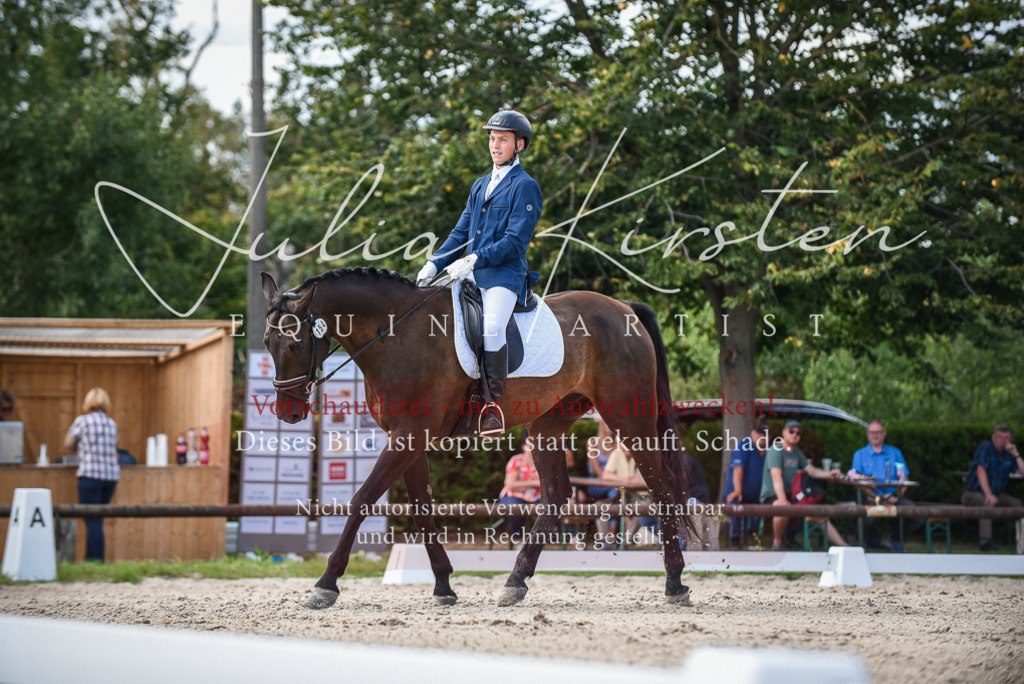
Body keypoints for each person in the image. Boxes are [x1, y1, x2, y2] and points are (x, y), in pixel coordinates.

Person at [416, 110, 543, 435]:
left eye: (503, 140)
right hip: (469, 273)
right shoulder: (480, 185)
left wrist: (474, 259)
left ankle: (491, 407)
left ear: (519, 145)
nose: (495, 145)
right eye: (492, 138)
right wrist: (435, 263)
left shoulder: (525, 187)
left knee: (491, 328)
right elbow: (461, 232)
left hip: (503, 277)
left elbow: (515, 242)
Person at [760, 420, 846, 551]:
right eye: (791, 431)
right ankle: (777, 543)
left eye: (798, 433)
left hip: (793, 495)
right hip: (772, 495)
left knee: (818, 513)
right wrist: (782, 499)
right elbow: (776, 476)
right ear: (784, 432)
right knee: (783, 509)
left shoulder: (797, 452)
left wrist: (829, 474)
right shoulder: (776, 449)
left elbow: (811, 470)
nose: (795, 435)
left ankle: (845, 547)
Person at [62, 388, 120, 562]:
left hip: (90, 474)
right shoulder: (112, 424)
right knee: (97, 519)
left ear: (88, 403)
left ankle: (95, 560)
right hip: (110, 477)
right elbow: (114, 451)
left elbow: (68, 443)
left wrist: (81, 449)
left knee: (91, 519)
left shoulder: (82, 421)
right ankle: (92, 558)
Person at [849, 420, 923, 552]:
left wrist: (895, 496)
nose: (875, 435)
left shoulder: (895, 453)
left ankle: (895, 539)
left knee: (917, 515)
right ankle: (860, 545)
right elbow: (857, 482)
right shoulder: (859, 455)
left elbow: (904, 478)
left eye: (878, 432)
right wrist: (879, 497)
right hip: (870, 496)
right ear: (867, 434)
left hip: (893, 496)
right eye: (872, 432)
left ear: (884, 433)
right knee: (866, 513)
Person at [961, 425, 1024, 552]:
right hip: (973, 493)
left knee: (1018, 505)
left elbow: (1022, 472)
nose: (1003, 440)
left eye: (1007, 438)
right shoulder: (986, 448)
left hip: (997, 494)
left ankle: (1021, 540)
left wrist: (1016, 455)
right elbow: (980, 470)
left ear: (1011, 440)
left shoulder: (1008, 454)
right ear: (993, 438)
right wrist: (988, 494)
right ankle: (985, 542)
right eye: (1000, 437)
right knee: (987, 504)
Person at [722, 422, 770, 550]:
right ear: (753, 433)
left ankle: (761, 538)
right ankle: (735, 541)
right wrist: (738, 490)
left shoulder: (770, 449)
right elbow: (738, 468)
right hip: (738, 493)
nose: (763, 437)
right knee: (735, 503)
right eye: (760, 433)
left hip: (758, 494)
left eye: (766, 434)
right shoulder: (743, 446)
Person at [497, 435, 541, 544]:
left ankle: (568, 537)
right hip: (514, 495)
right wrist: (535, 483)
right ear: (523, 446)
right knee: (515, 507)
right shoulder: (516, 460)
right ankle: (518, 540)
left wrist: (522, 484)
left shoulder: (542, 462)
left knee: (550, 508)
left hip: (537, 496)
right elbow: (511, 485)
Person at [584, 418, 620, 546]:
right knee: (615, 491)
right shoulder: (592, 443)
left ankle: (609, 532)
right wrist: (610, 477)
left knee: (613, 493)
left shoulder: (618, 443)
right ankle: (612, 528)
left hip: (614, 482)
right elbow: (597, 469)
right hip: (596, 482)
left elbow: (620, 467)